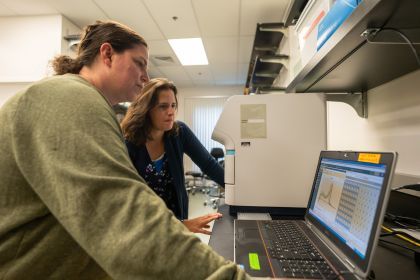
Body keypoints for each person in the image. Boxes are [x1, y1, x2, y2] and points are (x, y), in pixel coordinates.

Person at [0, 20, 248, 279]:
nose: (145, 76)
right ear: (107, 54)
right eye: (139, 63)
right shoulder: (69, 97)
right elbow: (123, 217)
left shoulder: (84, 101)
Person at [121, 78, 223, 235]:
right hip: (144, 230)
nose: (171, 112)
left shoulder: (178, 132)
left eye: (173, 106)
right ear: (146, 109)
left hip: (178, 222)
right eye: (163, 106)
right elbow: (128, 202)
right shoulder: (129, 144)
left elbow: (208, 164)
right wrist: (180, 226)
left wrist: (238, 189)